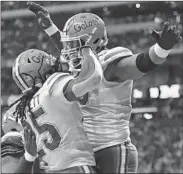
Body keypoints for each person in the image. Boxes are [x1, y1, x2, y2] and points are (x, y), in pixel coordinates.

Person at [27, 2, 182, 173]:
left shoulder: (111, 63)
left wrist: (161, 49)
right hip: (89, 150)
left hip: (111, 147)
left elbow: (141, 63)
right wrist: (50, 27)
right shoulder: (85, 63)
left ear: (95, 41)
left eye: (74, 44)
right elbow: (70, 47)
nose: (68, 50)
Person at [6, 48, 102, 173]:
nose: (51, 62)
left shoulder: (26, 109)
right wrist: (87, 51)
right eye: (46, 62)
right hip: (77, 167)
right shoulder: (52, 85)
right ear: (35, 73)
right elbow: (93, 78)